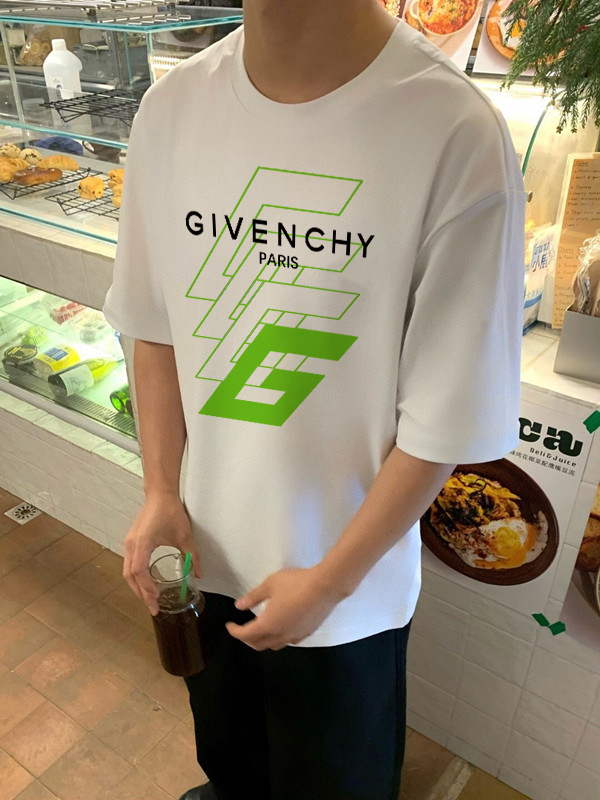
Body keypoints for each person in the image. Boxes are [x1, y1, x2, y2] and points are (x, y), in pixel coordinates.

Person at [102, 1, 527, 798]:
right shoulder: (172, 109)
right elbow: (155, 327)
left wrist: (330, 582)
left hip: (348, 597)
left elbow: (443, 420)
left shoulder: (453, 131)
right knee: (230, 770)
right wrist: (160, 490)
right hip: (205, 558)